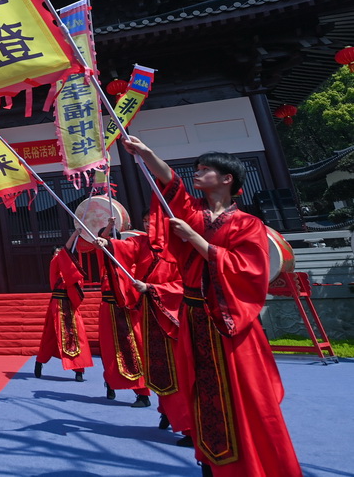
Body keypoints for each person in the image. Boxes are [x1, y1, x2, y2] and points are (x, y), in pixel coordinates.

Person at [123, 138, 302, 477]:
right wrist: (147, 153)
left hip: (229, 321)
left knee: (243, 394)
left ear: (227, 179)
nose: (198, 173)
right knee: (200, 388)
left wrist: (197, 240)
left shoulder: (248, 224)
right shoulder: (194, 212)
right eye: (198, 168)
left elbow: (248, 271)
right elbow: (170, 185)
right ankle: (210, 459)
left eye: (206, 169)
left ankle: (254, 462)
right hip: (195, 317)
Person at [113, 212, 192, 440]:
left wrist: (153, 289)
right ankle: (166, 411)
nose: (149, 225)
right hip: (149, 315)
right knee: (158, 368)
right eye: (146, 221)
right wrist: (106, 241)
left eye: (154, 221)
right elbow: (124, 249)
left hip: (172, 317)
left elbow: (183, 284)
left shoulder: (178, 248)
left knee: (177, 371)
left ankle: (187, 426)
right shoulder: (142, 243)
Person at [78, 230, 152, 407]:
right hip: (107, 309)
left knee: (133, 350)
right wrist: (105, 233)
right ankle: (110, 383)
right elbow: (100, 246)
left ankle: (142, 393)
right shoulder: (107, 264)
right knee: (108, 351)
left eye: (111, 244)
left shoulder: (129, 267)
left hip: (124, 310)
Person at [33, 230, 92, 381]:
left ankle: (79, 370)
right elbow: (65, 253)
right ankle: (40, 362)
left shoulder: (68, 268)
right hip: (57, 305)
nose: (60, 255)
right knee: (49, 336)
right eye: (57, 253)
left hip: (70, 305)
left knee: (77, 336)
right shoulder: (55, 264)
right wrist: (74, 234)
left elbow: (77, 282)